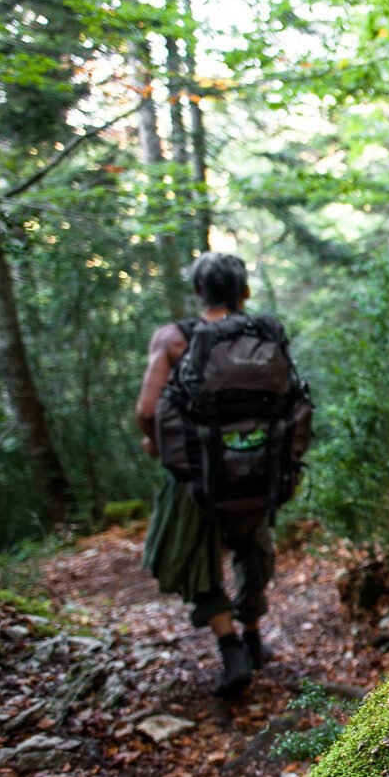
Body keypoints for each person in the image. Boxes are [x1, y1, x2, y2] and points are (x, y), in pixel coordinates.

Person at [135, 253, 278, 698]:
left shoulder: (174, 338)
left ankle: (231, 649)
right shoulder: (265, 335)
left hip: (196, 478)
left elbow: (146, 409)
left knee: (198, 562)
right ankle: (254, 637)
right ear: (245, 293)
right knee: (252, 553)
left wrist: (156, 442)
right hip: (256, 473)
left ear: (200, 292)